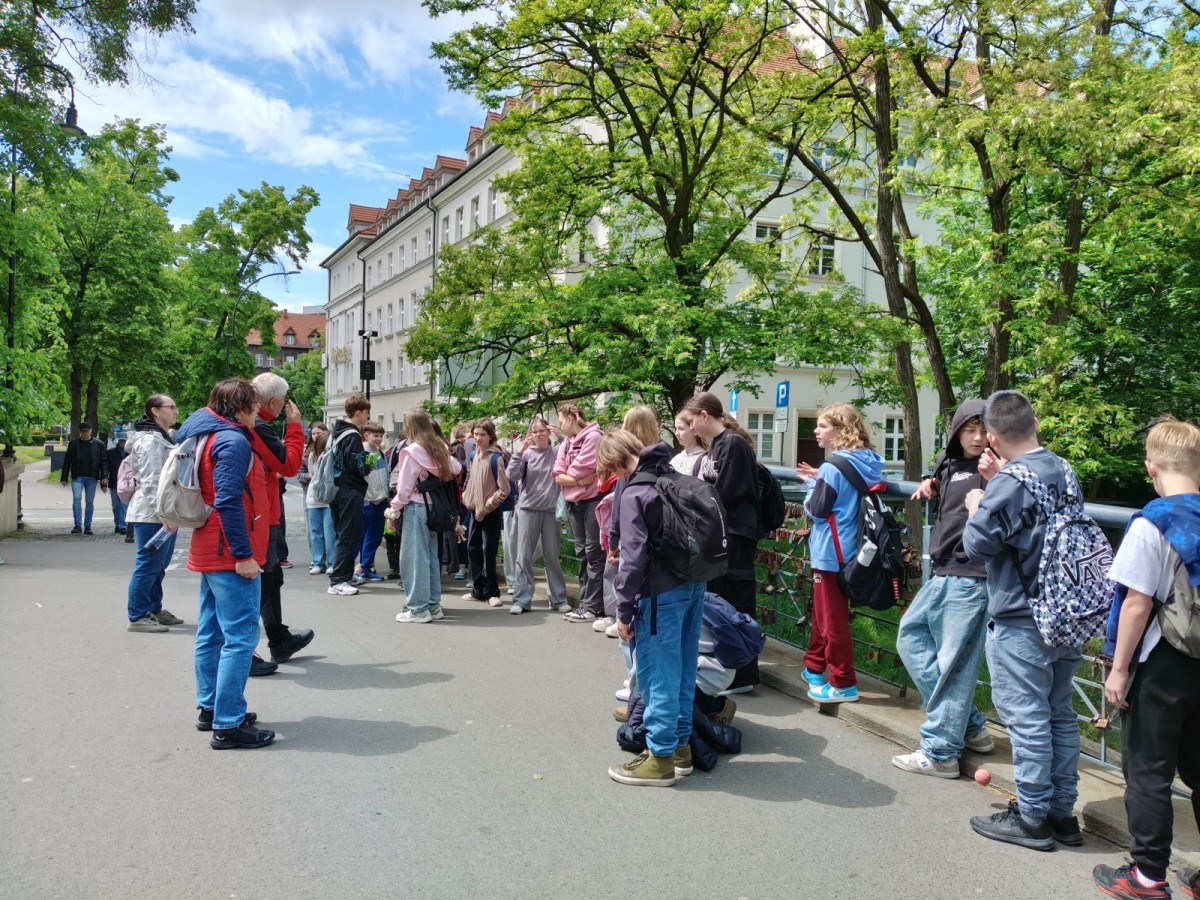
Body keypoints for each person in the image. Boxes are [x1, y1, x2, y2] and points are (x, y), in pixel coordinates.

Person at [962, 390, 1085, 851]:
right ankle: (1061, 813)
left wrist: (978, 503)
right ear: (1035, 424)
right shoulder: (1064, 470)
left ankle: (1032, 817)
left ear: (992, 438)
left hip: (1022, 616)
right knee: (1060, 714)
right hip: (1066, 613)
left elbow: (977, 546)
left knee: (1028, 718)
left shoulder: (1010, 482)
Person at [1092, 418, 1200, 900]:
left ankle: (1148, 877)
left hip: (1163, 661)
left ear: (1151, 467)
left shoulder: (1153, 521)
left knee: (1149, 768)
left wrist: (1118, 670)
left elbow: (1136, 604)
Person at [891, 399, 995, 778]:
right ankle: (969, 723)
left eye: (984, 430)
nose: (978, 437)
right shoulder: (949, 463)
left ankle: (941, 752)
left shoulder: (994, 467)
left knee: (954, 663)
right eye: (970, 429)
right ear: (957, 432)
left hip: (972, 573)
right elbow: (941, 479)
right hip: (943, 569)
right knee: (910, 637)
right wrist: (929, 483)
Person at [602, 429, 705, 787]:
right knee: (683, 670)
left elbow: (632, 560)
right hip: (693, 585)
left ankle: (659, 759)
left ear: (616, 463)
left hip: (659, 595)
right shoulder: (674, 476)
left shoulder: (635, 492)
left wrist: (623, 609)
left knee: (658, 675)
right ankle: (680, 749)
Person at [176, 378, 275, 749]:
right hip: (228, 550)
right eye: (255, 404)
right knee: (240, 638)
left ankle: (211, 708)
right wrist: (244, 555)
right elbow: (230, 500)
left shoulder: (206, 434)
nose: (259, 411)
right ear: (243, 406)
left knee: (212, 633)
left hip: (210, 545)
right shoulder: (233, 440)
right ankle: (228, 724)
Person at [795, 402, 884, 704]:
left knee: (831, 620)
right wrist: (821, 477)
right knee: (825, 614)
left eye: (822, 425)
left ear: (841, 430)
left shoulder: (833, 467)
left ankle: (843, 682)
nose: (815, 431)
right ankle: (814, 667)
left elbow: (816, 511)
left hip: (830, 552)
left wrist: (812, 484)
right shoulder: (867, 461)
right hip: (854, 548)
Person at [686, 392, 762, 690]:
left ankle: (742, 675)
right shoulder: (718, 445)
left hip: (736, 537)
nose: (692, 427)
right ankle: (728, 669)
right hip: (722, 536)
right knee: (721, 603)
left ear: (705, 415)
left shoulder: (733, 444)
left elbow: (723, 493)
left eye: (692, 421)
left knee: (736, 603)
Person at [246, 372, 312, 674]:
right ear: (273, 402)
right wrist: (295, 427)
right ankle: (245, 650)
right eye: (282, 401)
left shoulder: (254, 424)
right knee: (259, 582)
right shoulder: (258, 426)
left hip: (265, 511)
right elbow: (289, 464)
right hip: (260, 515)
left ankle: (278, 638)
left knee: (270, 578)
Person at [389, 409, 462, 623]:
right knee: (430, 558)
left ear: (410, 427)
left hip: (416, 508)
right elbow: (456, 468)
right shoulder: (438, 447)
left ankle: (418, 609)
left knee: (414, 560)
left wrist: (394, 508)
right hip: (434, 510)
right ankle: (433, 605)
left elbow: (404, 487)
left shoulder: (412, 451)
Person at [124, 395, 184, 633]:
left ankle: (153, 609)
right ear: (155, 411)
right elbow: (151, 482)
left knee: (159, 565)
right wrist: (164, 515)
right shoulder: (150, 441)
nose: (176, 411)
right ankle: (137, 616)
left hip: (163, 512)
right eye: (172, 407)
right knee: (148, 565)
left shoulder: (162, 437)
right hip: (152, 514)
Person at [506, 417, 570, 614]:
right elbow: (511, 475)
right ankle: (521, 600)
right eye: (534, 431)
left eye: (542, 430)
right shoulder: (526, 454)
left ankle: (558, 599)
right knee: (524, 556)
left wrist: (561, 437)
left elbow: (571, 456)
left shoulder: (556, 452)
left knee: (552, 556)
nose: (538, 434)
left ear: (548, 432)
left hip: (551, 510)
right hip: (528, 509)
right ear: (530, 434)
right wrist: (519, 451)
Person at [554, 403, 605, 622]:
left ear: (571, 418)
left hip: (593, 502)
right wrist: (581, 481)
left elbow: (576, 469)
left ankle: (592, 606)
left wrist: (571, 478)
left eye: (561, 421)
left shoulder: (594, 437)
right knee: (583, 553)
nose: (560, 426)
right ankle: (585, 603)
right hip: (574, 504)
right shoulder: (566, 442)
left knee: (594, 553)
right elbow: (558, 473)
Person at [328, 394, 375, 596]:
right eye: (366, 413)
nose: (367, 417)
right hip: (350, 490)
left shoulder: (336, 432)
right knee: (348, 535)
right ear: (357, 412)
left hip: (336, 488)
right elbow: (358, 465)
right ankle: (338, 580)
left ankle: (345, 575)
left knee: (342, 533)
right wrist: (370, 459)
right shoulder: (352, 435)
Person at [463, 418, 510, 607]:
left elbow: (504, 490)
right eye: (476, 434)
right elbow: (469, 476)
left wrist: (487, 506)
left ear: (491, 436)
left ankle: (492, 592)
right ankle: (478, 589)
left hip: (490, 510)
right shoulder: (474, 454)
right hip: (474, 508)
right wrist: (466, 493)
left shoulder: (496, 458)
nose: (478, 438)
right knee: (472, 547)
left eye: (482, 434)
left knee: (488, 550)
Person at [60, 423, 109, 535]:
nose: (85, 433)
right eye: (83, 431)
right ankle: (77, 525)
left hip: (92, 477)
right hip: (78, 477)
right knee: (77, 498)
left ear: (91, 431)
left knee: (89, 501)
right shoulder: (73, 444)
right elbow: (67, 461)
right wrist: (64, 477)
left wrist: (104, 477)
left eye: (87, 431)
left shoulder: (99, 444)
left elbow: (104, 461)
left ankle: (87, 526)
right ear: (80, 432)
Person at [299, 424, 334, 574]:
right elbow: (309, 475)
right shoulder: (311, 456)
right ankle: (318, 562)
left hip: (328, 499)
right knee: (315, 532)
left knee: (329, 532)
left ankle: (332, 562)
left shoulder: (332, 456)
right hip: (313, 498)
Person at [357, 422, 390, 582]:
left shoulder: (381, 454)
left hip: (381, 500)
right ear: (366, 435)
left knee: (374, 537)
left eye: (380, 436)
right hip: (367, 501)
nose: (379, 439)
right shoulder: (362, 453)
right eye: (375, 435)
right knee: (360, 537)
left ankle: (366, 568)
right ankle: (352, 570)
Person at [670, 411, 708, 476]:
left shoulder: (704, 460)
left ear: (694, 431)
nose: (676, 433)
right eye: (676, 429)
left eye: (681, 429)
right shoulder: (676, 459)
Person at [106, 435, 129, 535]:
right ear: (117, 441)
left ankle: (122, 525)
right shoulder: (110, 453)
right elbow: (106, 467)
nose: (122, 442)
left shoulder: (131, 453)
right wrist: (104, 478)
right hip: (114, 482)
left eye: (124, 440)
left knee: (124, 504)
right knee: (115, 505)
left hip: (127, 483)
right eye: (121, 440)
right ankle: (118, 523)